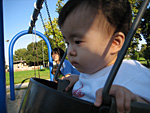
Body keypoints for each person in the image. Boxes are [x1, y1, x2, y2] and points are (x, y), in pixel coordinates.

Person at [58, 0, 150, 113]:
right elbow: (97, 79)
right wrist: (78, 80)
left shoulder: (132, 72)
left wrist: (134, 99)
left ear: (114, 43)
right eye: (67, 43)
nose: (70, 51)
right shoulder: (90, 71)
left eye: (77, 41)